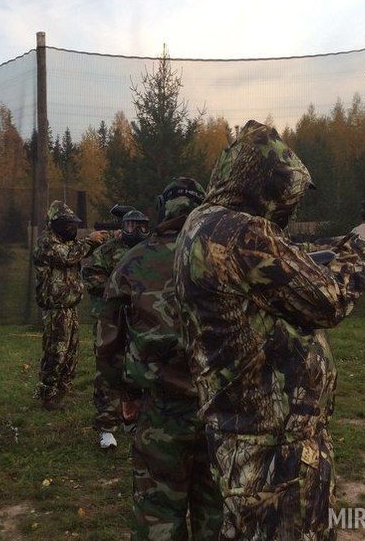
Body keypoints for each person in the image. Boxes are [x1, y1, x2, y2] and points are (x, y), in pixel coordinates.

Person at [173, 121, 365, 539]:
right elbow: (327, 299)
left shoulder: (208, 224)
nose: (291, 205)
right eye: (287, 194)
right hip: (273, 449)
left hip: (254, 436)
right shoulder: (239, 232)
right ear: (263, 186)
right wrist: (362, 246)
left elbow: (290, 260)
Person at [97, 178, 223, 540]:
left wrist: (125, 394)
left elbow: (108, 345)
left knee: (158, 518)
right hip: (221, 412)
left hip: (160, 413)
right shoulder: (225, 257)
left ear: (160, 210)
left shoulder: (132, 262)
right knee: (218, 515)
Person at [83, 209, 150, 450]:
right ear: (123, 227)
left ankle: (134, 418)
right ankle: (106, 427)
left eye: (141, 226)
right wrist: (119, 290)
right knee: (109, 369)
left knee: (140, 368)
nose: (135, 231)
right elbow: (91, 276)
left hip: (141, 318)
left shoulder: (149, 251)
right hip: (110, 318)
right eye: (130, 225)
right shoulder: (108, 250)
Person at [33, 200, 107, 410]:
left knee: (71, 350)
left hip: (69, 305)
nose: (71, 229)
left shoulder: (67, 242)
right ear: (56, 224)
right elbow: (68, 256)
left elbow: (76, 251)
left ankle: (64, 387)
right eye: (68, 225)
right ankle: (48, 394)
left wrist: (103, 237)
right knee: (56, 351)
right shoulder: (47, 242)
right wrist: (91, 240)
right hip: (55, 307)